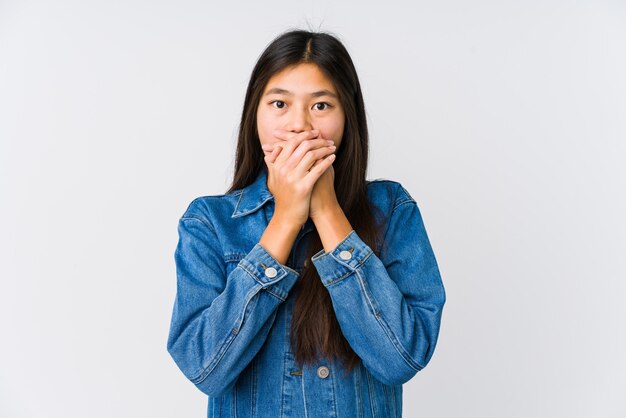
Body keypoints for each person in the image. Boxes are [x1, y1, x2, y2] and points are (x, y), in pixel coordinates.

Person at [166, 28, 446, 418]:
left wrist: (327, 210)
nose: (299, 125)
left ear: (347, 117)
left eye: (320, 106)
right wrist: (285, 219)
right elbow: (204, 369)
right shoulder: (210, 222)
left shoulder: (393, 209)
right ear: (255, 114)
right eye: (279, 103)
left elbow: (401, 359)